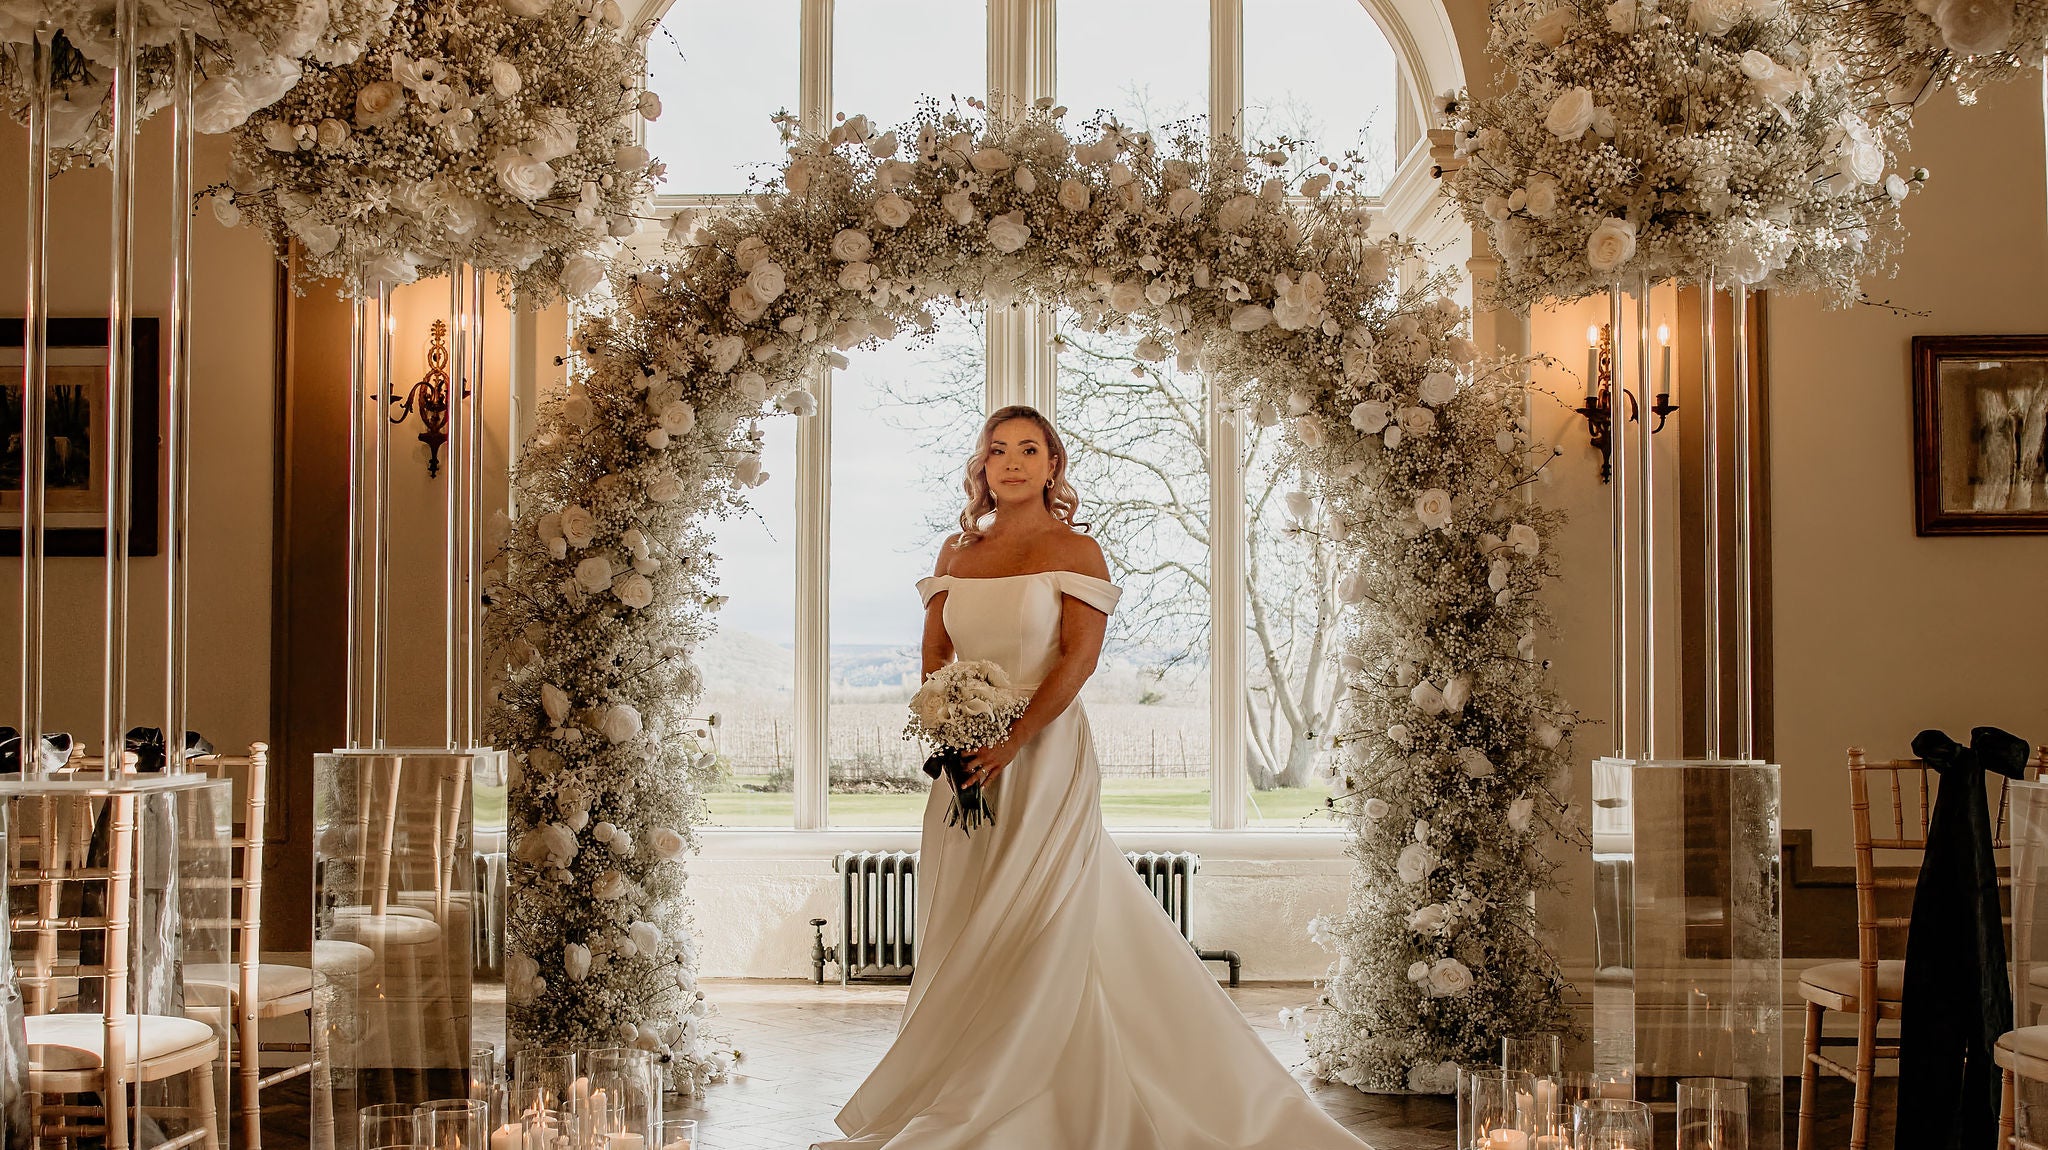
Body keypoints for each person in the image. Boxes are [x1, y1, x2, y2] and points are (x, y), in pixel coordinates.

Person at [816, 406, 1370, 1150]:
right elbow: (935, 652)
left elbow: (1078, 659)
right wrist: (951, 722)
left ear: (1053, 466)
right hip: (966, 758)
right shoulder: (957, 550)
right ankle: (969, 1075)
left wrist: (1012, 739)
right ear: (982, 467)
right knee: (971, 909)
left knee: (1039, 904)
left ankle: (1032, 1085)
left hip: (1043, 751)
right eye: (998, 450)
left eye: (1029, 449)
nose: (1013, 462)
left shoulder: (1077, 550)